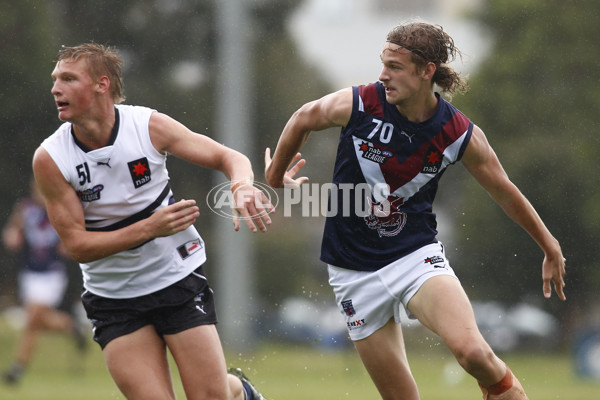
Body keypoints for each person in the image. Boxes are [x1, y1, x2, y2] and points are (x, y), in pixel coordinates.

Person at [265, 20, 566, 400]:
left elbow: (504, 191)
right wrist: (275, 177)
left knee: (474, 353)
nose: (383, 75)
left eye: (395, 67)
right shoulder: (359, 104)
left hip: (414, 257)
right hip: (352, 271)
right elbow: (303, 117)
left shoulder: (456, 132)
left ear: (427, 72)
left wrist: (548, 244)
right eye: (383, 63)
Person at [32, 43, 275, 400]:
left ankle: (240, 391)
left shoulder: (147, 126)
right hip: (114, 298)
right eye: (55, 79)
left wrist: (241, 187)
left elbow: (227, 156)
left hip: (175, 278)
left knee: (211, 396)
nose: (55, 88)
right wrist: (150, 228)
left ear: (101, 84)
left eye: (68, 79)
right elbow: (78, 247)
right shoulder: (51, 158)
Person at [2, 180, 86, 385]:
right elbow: (12, 233)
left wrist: (68, 244)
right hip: (30, 273)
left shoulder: (58, 209)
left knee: (32, 319)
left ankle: (18, 368)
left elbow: (73, 235)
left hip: (52, 273)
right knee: (37, 319)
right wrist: (12, 237)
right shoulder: (25, 209)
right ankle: (69, 326)